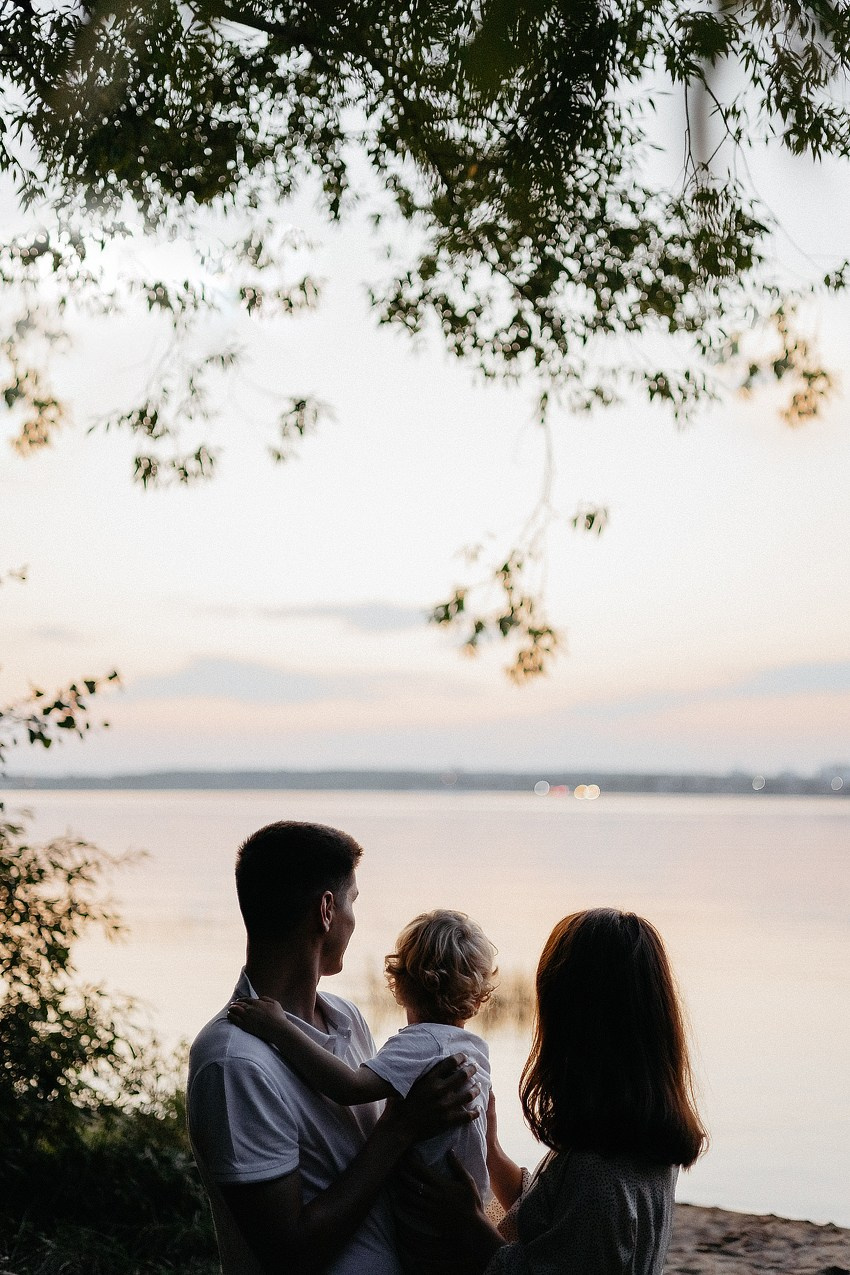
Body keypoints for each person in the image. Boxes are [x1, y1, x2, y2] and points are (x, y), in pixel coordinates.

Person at [186, 822, 480, 1275]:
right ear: (326, 910)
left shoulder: (347, 1018)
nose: (354, 921)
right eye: (352, 902)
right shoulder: (234, 1061)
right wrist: (400, 1128)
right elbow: (290, 1256)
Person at [404, 908, 708, 1275]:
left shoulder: (597, 1172)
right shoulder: (634, 1140)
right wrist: (491, 1152)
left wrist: (468, 1221)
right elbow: (558, 1223)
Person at [228, 909, 496, 1269]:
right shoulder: (476, 1049)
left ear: (400, 984)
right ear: (477, 998)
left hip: (427, 1228)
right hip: (465, 1220)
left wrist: (280, 1029)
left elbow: (348, 1087)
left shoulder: (419, 1044)